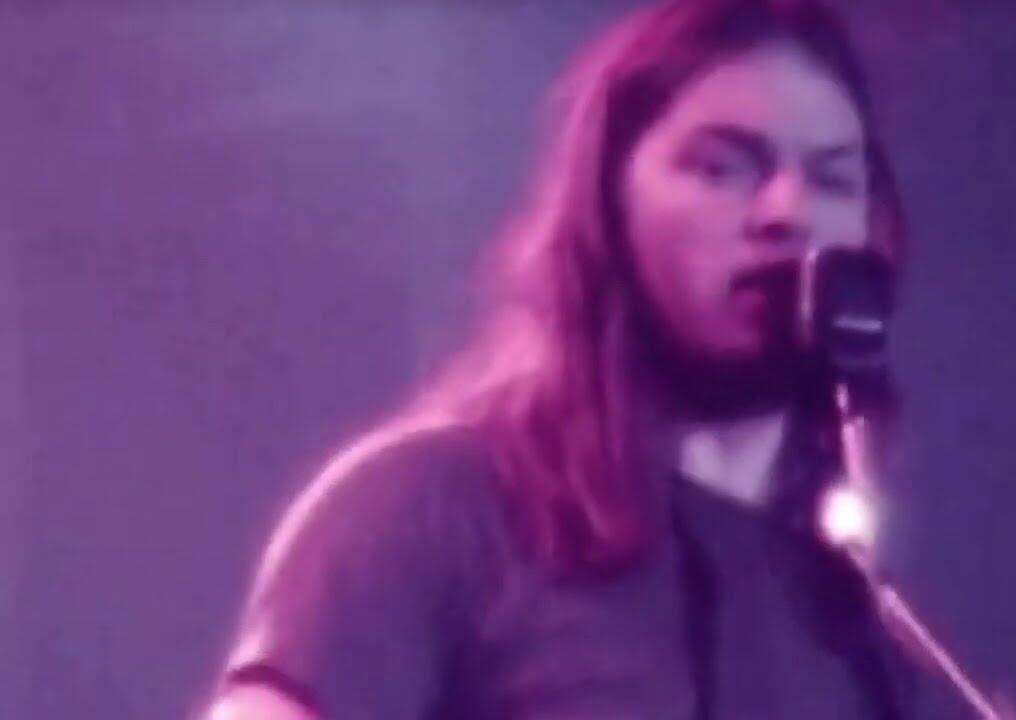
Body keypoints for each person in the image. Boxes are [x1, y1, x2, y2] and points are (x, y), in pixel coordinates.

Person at [205, 0, 913, 717]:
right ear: (607, 205)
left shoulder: (854, 614)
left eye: (833, 180)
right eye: (722, 168)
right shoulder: (430, 510)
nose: (788, 211)